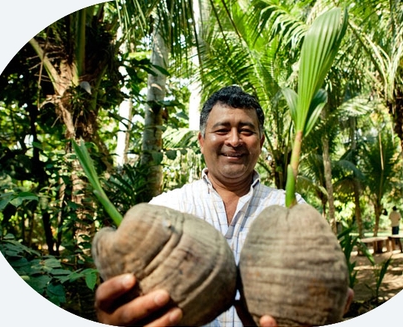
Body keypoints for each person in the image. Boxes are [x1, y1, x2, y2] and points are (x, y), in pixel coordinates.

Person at [94, 85, 353, 327]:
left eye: (247, 131)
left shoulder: (293, 209)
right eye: (221, 130)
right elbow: (131, 298)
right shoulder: (165, 208)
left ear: (261, 142)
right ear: (201, 140)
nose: (235, 140)